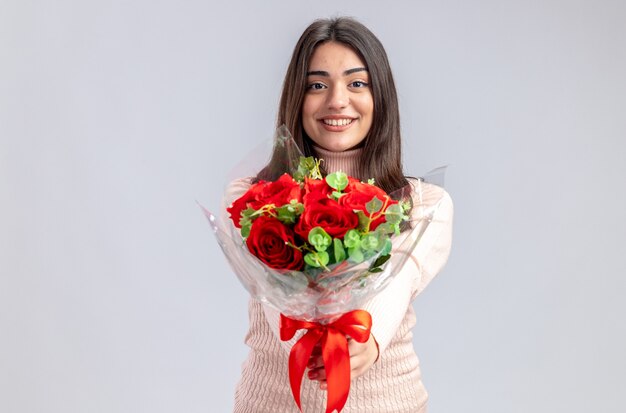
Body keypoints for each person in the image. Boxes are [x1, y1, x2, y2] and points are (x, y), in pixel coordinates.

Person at [224, 17, 453, 413]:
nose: (337, 100)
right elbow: (273, 296)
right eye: (317, 84)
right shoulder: (251, 199)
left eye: (356, 83)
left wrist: (368, 337)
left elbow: (399, 275)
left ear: (380, 96)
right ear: (297, 97)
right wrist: (314, 335)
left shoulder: (424, 203)